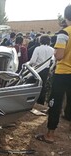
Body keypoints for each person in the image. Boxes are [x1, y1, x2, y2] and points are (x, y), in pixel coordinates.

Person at [35, 5, 71, 143]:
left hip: (63, 73)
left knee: (55, 103)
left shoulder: (64, 33)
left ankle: (49, 135)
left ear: (66, 16)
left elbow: (60, 55)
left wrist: (55, 52)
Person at [29, 35, 54, 105]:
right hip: (46, 70)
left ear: (40, 41)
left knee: (34, 85)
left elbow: (33, 61)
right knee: (43, 86)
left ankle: (32, 101)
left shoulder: (38, 48)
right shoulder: (52, 50)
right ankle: (41, 102)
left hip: (37, 70)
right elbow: (53, 62)